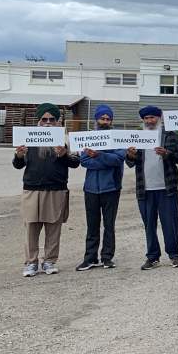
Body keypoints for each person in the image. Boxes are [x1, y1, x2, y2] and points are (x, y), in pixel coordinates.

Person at [13, 103, 78, 276]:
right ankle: (31, 263)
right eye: (44, 119)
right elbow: (18, 165)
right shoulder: (28, 138)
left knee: (53, 228)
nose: (48, 123)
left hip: (56, 189)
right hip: (32, 189)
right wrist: (19, 155)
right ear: (39, 120)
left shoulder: (65, 140)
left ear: (58, 121)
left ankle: (49, 261)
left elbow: (75, 163)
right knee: (31, 228)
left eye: (52, 119)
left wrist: (64, 155)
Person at [125, 105, 178, 270]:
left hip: (166, 187)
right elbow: (130, 161)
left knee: (170, 223)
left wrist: (167, 153)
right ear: (143, 120)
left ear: (159, 118)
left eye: (153, 117)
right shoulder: (137, 136)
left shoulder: (170, 135)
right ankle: (152, 257)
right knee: (149, 224)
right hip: (144, 188)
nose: (150, 121)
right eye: (146, 118)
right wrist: (130, 155)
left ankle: (174, 255)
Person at [76, 104, 125, 271]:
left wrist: (99, 155)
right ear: (96, 119)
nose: (105, 121)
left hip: (111, 188)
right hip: (91, 188)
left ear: (111, 121)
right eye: (102, 118)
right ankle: (90, 258)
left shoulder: (117, 138)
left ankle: (107, 257)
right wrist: (105, 160)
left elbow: (118, 159)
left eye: (108, 119)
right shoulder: (89, 137)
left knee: (109, 225)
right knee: (92, 225)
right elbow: (84, 161)